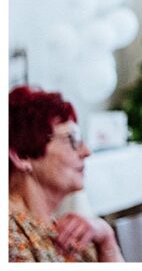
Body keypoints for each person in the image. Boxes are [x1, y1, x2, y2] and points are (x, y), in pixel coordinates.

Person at [9, 86, 124, 262]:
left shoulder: (65, 230)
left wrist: (107, 239)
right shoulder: (10, 235)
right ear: (21, 156)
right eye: (72, 139)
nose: (86, 151)